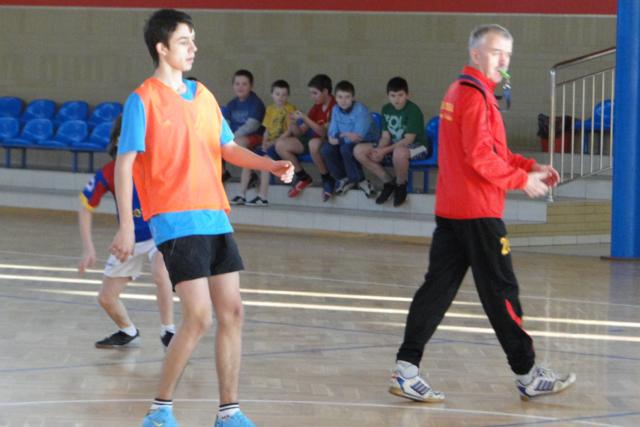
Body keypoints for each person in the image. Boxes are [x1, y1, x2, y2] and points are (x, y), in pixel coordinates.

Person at [109, 9, 293, 427]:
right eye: (184, 41)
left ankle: (229, 412)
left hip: (215, 216)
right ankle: (160, 410)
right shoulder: (143, 99)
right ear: (162, 48)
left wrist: (270, 164)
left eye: (193, 39)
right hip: (175, 219)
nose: (193, 47)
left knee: (233, 312)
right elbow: (125, 164)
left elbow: (227, 148)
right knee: (199, 316)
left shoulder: (204, 95)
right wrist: (125, 225)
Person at [389, 24, 575, 403]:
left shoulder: (466, 91)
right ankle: (527, 374)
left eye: (508, 53)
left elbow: (495, 152)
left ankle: (406, 370)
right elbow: (479, 159)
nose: (503, 60)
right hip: (477, 212)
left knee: (436, 290)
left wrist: (530, 167)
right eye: (495, 52)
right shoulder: (473, 96)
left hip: (454, 210)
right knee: (501, 292)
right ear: (476, 54)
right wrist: (521, 181)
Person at [77, 116, 175, 350]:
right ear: (118, 140)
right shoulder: (109, 172)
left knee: (160, 272)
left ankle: (168, 331)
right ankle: (128, 331)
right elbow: (85, 207)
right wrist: (88, 248)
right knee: (106, 298)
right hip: (128, 240)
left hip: (159, 234)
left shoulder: (155, 164)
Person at [354, 77, 428, 207]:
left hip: (418, 147)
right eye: (393, 95)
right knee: (359, 150)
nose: (396, 99)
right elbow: (386, 137)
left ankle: (401, 185)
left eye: (400, 95)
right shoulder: (386, 109)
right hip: (394, 146)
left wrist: (384, 151)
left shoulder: (414, 110)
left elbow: (408, 140)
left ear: (407, 95)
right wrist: (379, 150)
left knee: (399, 152)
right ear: (388, 96)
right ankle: (388, 182)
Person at [269, 74, 336, 198]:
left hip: (330, 141)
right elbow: (300, 132)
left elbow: (324, 133)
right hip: (312, 140)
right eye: (311, 93)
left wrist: (305, 117)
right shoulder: (316, 106)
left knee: (313, 143)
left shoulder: (335, 106)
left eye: (315, 93)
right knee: (280, 145)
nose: (312, 97)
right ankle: (303, 177)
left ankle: (327, 178)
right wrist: (293, 123)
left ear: (326, 92)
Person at [237, 79, 297, 206]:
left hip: (281, 144)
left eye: (284, 95)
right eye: (277, 94)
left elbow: (288, 132)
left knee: (265, 161)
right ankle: (241, 195)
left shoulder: (290, 109)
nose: (280, 97)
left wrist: (272, 143)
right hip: (269, 144)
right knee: (248, 160)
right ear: (272, 94)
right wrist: (265, 143)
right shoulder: (270, 109)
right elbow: (267, 130)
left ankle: (263, 197)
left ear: (288, 96)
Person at [321, 80, 378, 200]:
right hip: (345, 141)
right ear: (335, 98)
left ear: (353, 97)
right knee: (326, 149)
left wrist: (340, 137)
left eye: (347, 97)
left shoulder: (360, 109)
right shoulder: (335, 109)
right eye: (340, 97)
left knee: (346, 148)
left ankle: (361, 181)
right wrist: (342, 136)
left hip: (366, 141)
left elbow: (358, 136)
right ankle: (344, 178)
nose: (343, 101)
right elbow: (332, 132)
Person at [226, 69, 265, 202]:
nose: (240, 87)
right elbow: (225, 124)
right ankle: (222, 174)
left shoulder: (256, 103)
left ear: (251, 86)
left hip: (255, 137)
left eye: (244, 84)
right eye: (237, 84)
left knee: (239, 143)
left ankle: (245, 185)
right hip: (235, 138)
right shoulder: (231, 104)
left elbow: (252, 126)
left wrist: (231, 137)